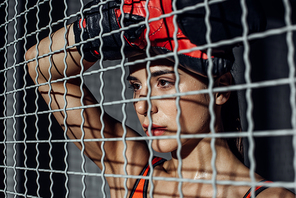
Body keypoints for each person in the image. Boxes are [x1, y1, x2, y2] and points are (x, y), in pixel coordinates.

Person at [25, 0, 295, 197]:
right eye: (136, 86)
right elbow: (40, 65)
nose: (142, 106)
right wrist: (113, 23)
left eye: (164, 83)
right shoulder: (131, 171)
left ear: (220, 89)